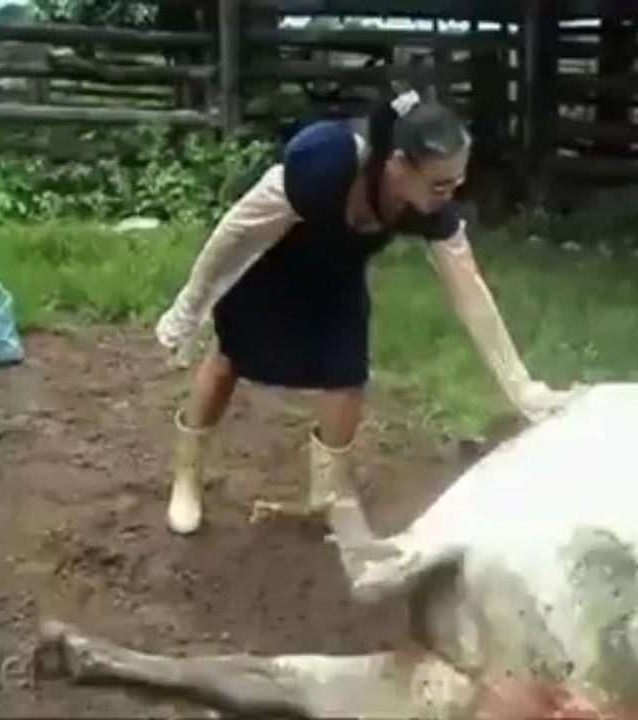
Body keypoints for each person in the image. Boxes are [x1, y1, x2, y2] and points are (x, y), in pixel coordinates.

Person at [154, 90, 574, 535]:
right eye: (439, 184)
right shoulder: (322, 164)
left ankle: (328, 499)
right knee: (227, 362)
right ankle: (186, 480)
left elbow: (470, 292)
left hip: (338, 274)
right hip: (274, 263)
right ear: (396, 166)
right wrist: (188, 309)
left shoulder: (428, 206)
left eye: (457, 183)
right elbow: (235, 234)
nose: (450, 195)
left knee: (346, 378)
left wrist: (521, 387)